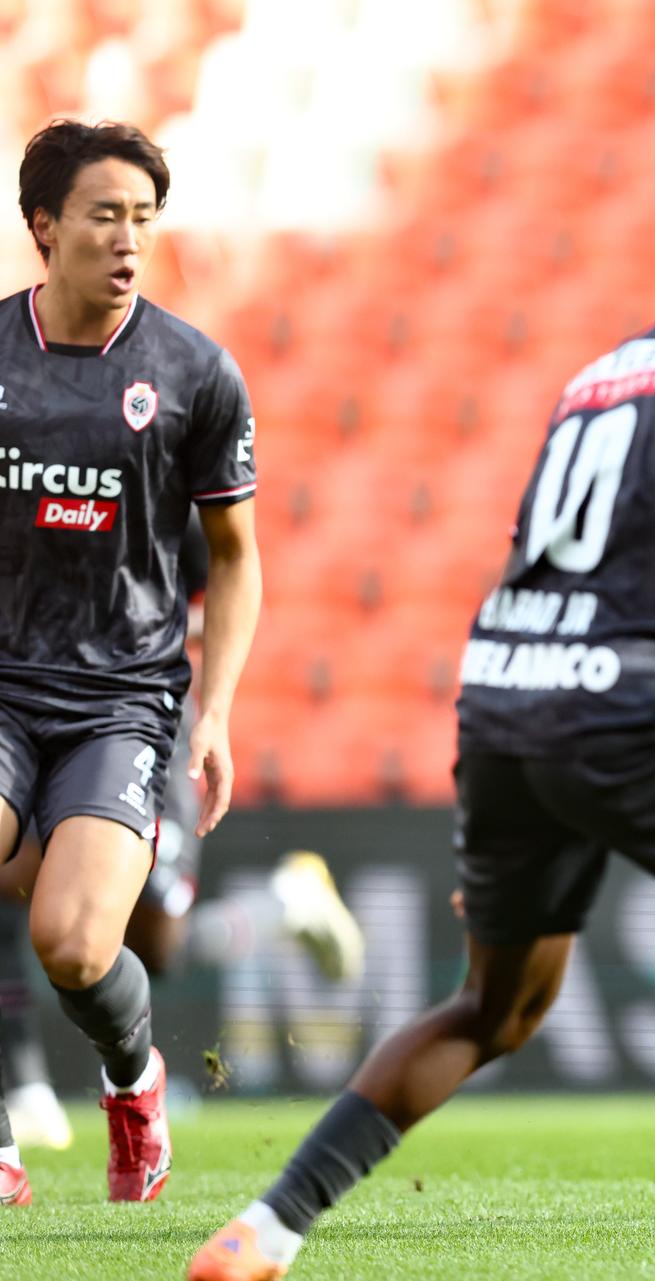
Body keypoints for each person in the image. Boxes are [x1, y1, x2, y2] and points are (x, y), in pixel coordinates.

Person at [189, 161, 655, 1281]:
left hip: (504, 703)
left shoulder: (602, 375)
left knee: (494, 1007)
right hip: (629, 709)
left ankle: (261, 1235)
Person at [0, 119, 263, 1207]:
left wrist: (216, 714)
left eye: (144, 220)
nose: (129, 241)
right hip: (3, 690)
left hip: (121, 704)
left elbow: (239, 557)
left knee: (71, 943)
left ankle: (134, 1078)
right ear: (43, 228)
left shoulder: (194, 374)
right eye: (105, 216)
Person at [0, 523, 361, 1152]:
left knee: (152, 947)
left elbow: (224, 584)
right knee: (21, 888)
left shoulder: (154, 474)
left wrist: (121, 631)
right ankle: (25, 1085)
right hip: (28, 714)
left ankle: (284, 904)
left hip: (131, 716)